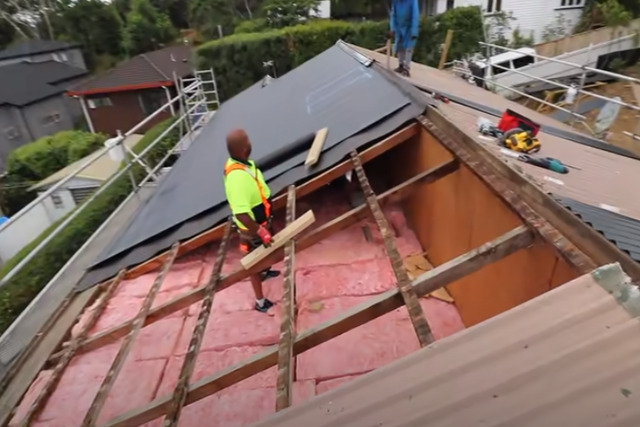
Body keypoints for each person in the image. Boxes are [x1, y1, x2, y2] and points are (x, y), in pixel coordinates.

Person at [224, 129, 281, 313]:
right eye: (247, 141)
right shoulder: (237, 178)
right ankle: (260, 301)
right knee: (253, 265)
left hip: (261, 223)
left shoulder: (245, 164)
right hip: (252, 231)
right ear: (243, 149)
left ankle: (266, 271)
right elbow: (241, 215)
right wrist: (260, 231)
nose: (251, 143)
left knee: (264, 256)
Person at [390, 0, 420, 77]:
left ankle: (406, 69)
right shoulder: (396, 1)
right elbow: (393, 14)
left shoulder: (413, 1)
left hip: (409, 27)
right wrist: (392, 28)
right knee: (399, 46)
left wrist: (414, 31)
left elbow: (415, 15)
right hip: (399, 27)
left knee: (409, 48)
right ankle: (400, 65)